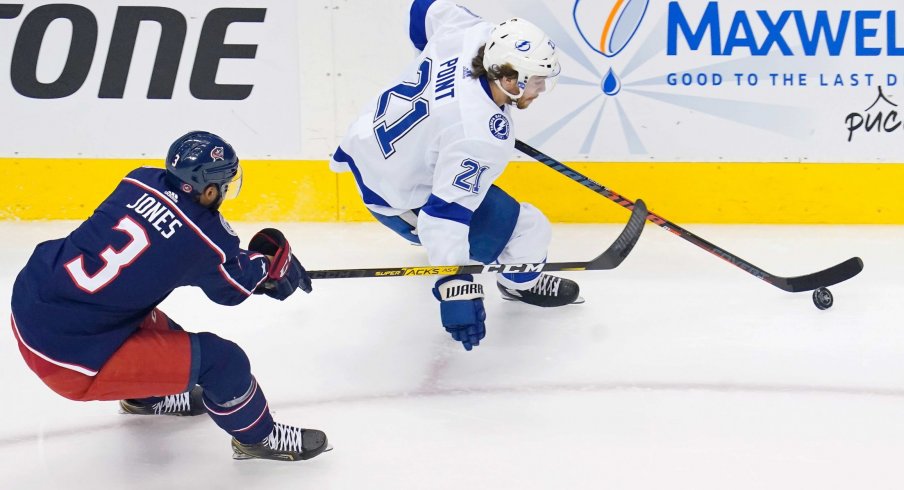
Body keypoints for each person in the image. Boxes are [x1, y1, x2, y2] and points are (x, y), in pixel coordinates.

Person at [10, 131, 328, 462]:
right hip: (69, 360)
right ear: (207, 191)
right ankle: (259, 439)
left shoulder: (138, 179)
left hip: (33, 299)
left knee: (164, 334)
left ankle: (144, 397)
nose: (224, 191)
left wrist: (259, 267)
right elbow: (231, 290)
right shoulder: (206, 238)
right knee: (223, 362)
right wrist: (272, 267)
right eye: (222, 184)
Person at [330, 0, 577, 351]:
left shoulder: (471, 35)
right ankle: (519, 282)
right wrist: (455, 284)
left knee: (466, 190)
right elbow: (443, 216)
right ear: (508, 79)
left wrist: (440, 98)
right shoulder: (479, 136)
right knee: (531, 229)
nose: (540, 90)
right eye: (536, 81)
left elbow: (423, 9)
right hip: (400, 196)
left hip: (370, 147)